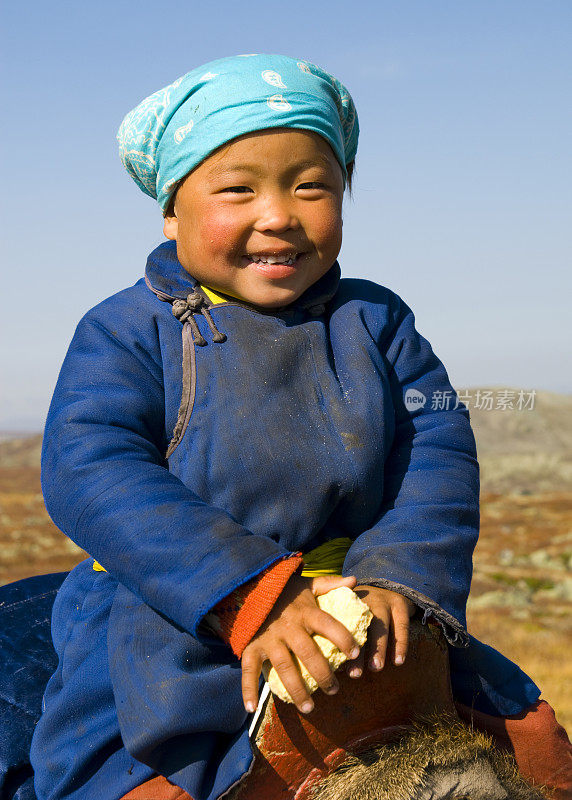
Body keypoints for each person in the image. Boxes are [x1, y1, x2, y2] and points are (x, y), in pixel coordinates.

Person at [30, 54, 572, 800]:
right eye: (238, 190)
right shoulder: (126, 330)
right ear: (172, 210)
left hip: (365, 604)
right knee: (136, 784)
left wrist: (402, 575)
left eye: (310, 186)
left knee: (536, 747)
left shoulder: (376, 320)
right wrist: (252, 592)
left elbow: (436, 447)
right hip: (176, 619)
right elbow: (90, 469)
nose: (279, 214)